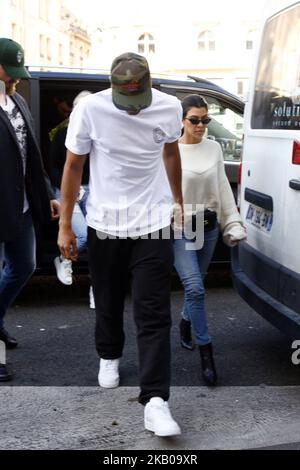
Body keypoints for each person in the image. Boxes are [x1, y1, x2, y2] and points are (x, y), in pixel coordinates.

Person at [58, 52, 183, 437]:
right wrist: (65, 225)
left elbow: (171, 152)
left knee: (153, 309)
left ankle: (156, 400)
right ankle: (109, 354)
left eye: (138, 102)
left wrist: (178, 201)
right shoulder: (91, 110)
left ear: (149, 85)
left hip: (153, 221)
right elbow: (73, 166)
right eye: (125, 102)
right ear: (112, 88)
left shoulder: (170, 106)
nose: (132, 111)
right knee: (108, 299)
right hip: (105, 222)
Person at [173, 94, 246, 386]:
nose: (201, 125)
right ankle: (207, 354)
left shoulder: (214, 148)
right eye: (195, 120)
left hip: (207, 225)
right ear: (181, 120)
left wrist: (233, 222)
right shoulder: (169, 151)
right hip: (179, 228)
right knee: (195, 288)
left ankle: (185, 320)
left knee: (198, 283)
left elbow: (222, 190)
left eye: (206, 120)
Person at [0, 38, 60, 381]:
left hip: (20, 205)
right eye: (10, 72)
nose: (15, 79)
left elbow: (32, 154)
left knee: (24, 265)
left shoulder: (18, 99)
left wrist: (47, 193)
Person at [50, 91, 95, 308]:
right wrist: (69, 189)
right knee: (84, 235)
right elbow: (54, 167)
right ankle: (64, 260)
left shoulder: (99, 135)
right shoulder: (62, 135)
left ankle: (97, 288)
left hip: (93, 191)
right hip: (67, 192)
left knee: (99, 238)